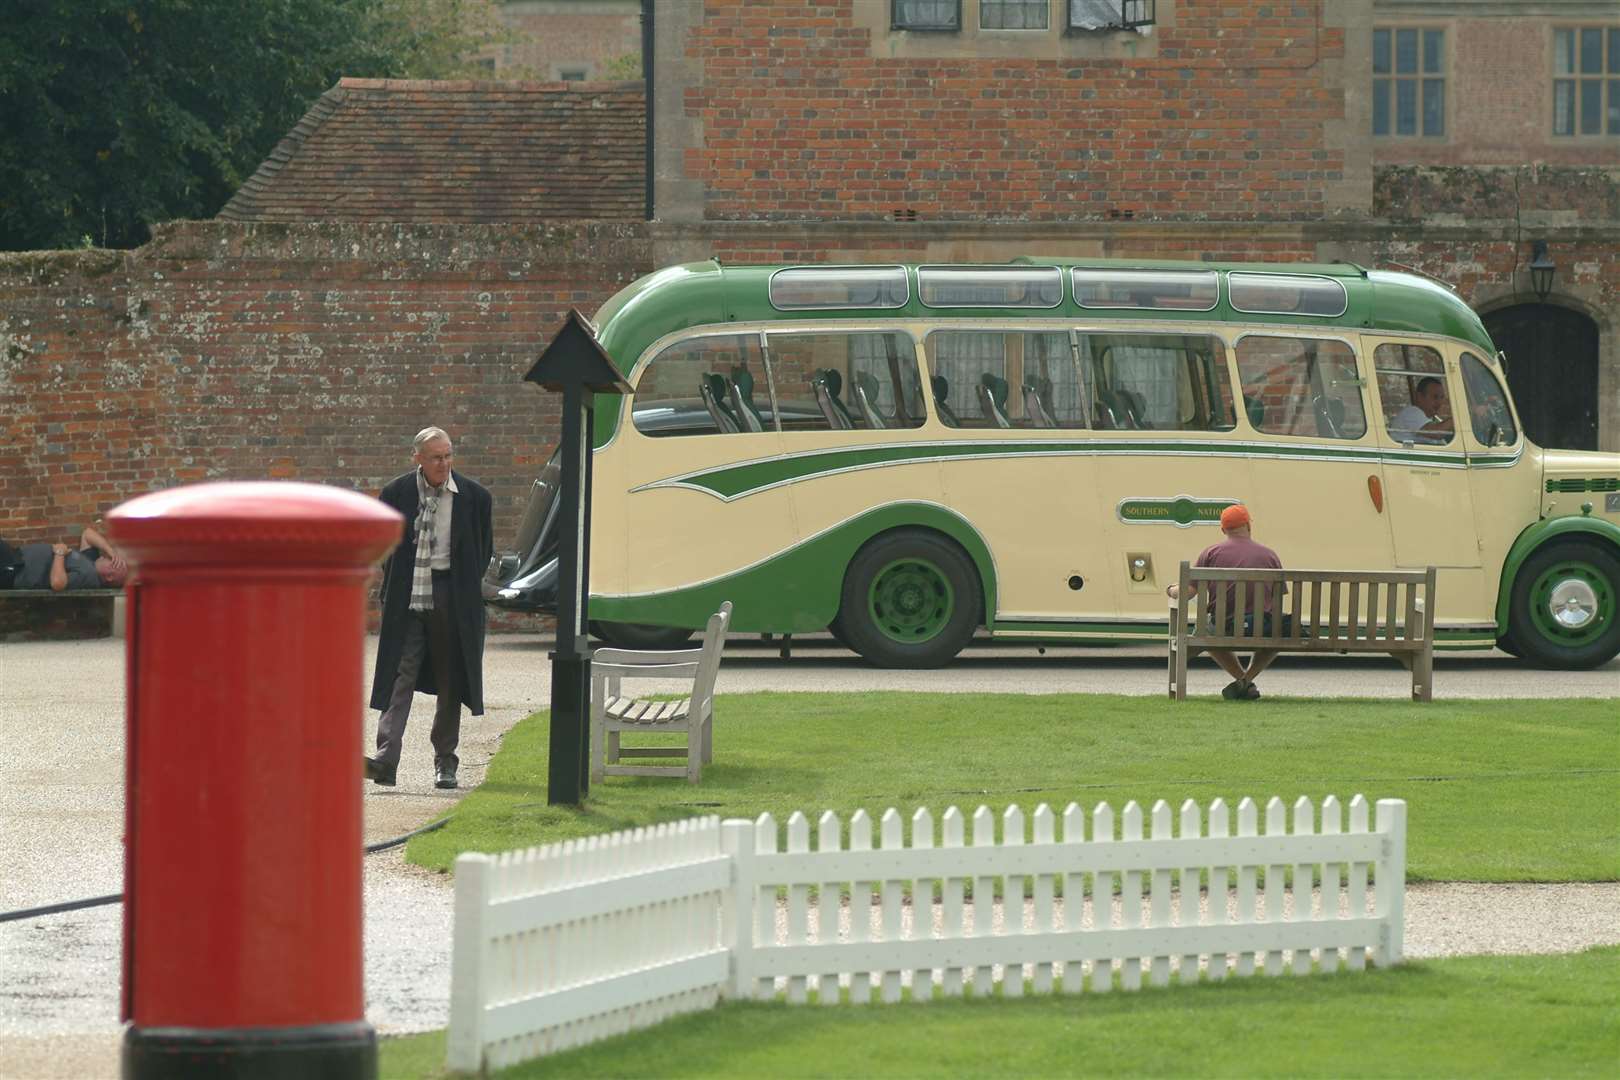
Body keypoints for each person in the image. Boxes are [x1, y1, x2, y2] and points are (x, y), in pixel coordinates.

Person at [365, 426, 494, 790]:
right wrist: (402, 582)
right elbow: (384, 545)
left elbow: (482, 552)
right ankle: (386, 761)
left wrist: (456, 588)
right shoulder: (396, 494)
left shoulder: (475, 497)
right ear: (417, 458)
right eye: (436, 457)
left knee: (450, 678)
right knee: (398, 675)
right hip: (408, 595)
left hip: (452, 596)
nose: (444, 463)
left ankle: (445, 762)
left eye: (448, 454)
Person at [1167, 504, 1286, 701]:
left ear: (1223, 530)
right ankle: (1246, 681)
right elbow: (1277, 597)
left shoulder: (1211, 553)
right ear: (1248, 525)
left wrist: (1171, 590)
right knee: (1279, 632)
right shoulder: (1270, 555)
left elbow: (1188, 592)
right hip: (1263, 628)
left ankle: (1242, 679)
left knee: (1207, 633)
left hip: (1224, 627)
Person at [0, 525, 129, 591]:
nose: (108, 557)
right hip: (14, 559)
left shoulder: (89, 575)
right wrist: (109, 549)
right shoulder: (91, 560)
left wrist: (59, 553)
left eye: (113, 561)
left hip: (14, 571)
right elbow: (87, 534)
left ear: (109, 576)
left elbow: (57, 583)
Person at [1389, 376, 1454, 444]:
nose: (1439, 402)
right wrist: (1457, 419)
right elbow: (1436, 433)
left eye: (1442, 397)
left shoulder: (1434, 420)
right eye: (1435, 397)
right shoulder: (1411, 413)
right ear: (1420, 396)